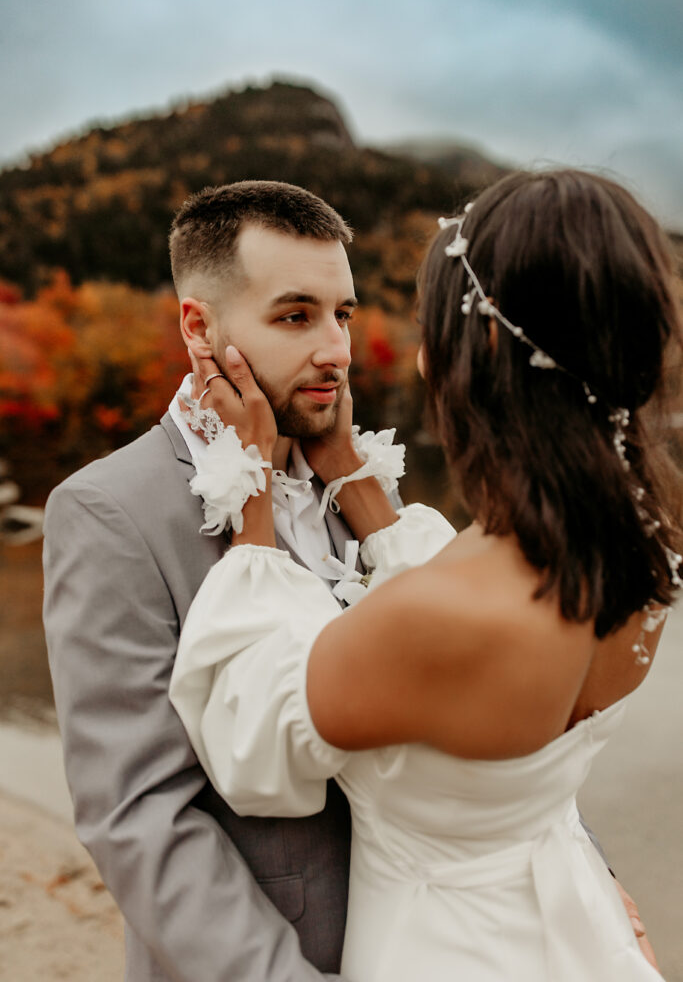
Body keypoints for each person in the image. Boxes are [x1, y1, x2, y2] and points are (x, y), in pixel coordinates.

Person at [169, 169, 681, 980]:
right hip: (573, 929)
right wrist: (357, 484)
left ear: (474, 348)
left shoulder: (442, 616)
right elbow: (464, 602)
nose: (342, 347)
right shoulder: (640, 561)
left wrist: (253, 505)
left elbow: (249, 731)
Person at [43, 180, 405, 981]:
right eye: (294, 315)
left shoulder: (366, 485)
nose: (338, 350)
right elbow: (138, 816)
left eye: (342, 313)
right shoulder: (109, 513)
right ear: (198, 328)